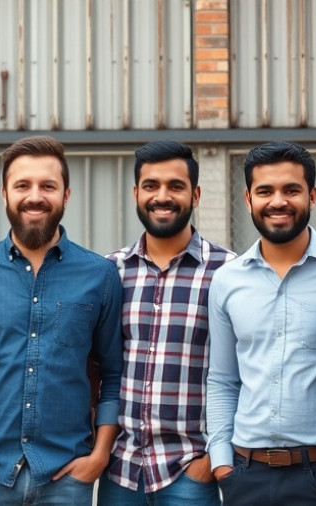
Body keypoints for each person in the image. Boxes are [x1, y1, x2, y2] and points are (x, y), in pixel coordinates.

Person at [0, 135, 123, 505]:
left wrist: (99, 455)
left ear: (66, 196)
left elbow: (113, 374)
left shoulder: (100, 275)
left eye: (48, 186)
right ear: (4, 193)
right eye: (22, 185)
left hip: (69, 475)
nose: (35, 196)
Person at [205, 141, 316, 505]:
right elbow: (223, 379)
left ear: (313, 195)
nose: (278, 201)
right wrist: (223, 463)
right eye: (265, 191)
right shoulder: (227, 280)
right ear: (248, 198)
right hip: (246, 475)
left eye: (291, 190)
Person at [98, 140, 234, 506]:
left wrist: (209, 461)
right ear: (135, 193)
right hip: (120, 472)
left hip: (190, 472)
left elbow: (248, 371)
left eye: (176, 186)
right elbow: (93, 365)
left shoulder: (230, 272)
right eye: (151, 186)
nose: (162, 196)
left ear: (196, 194)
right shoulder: (109, 272)